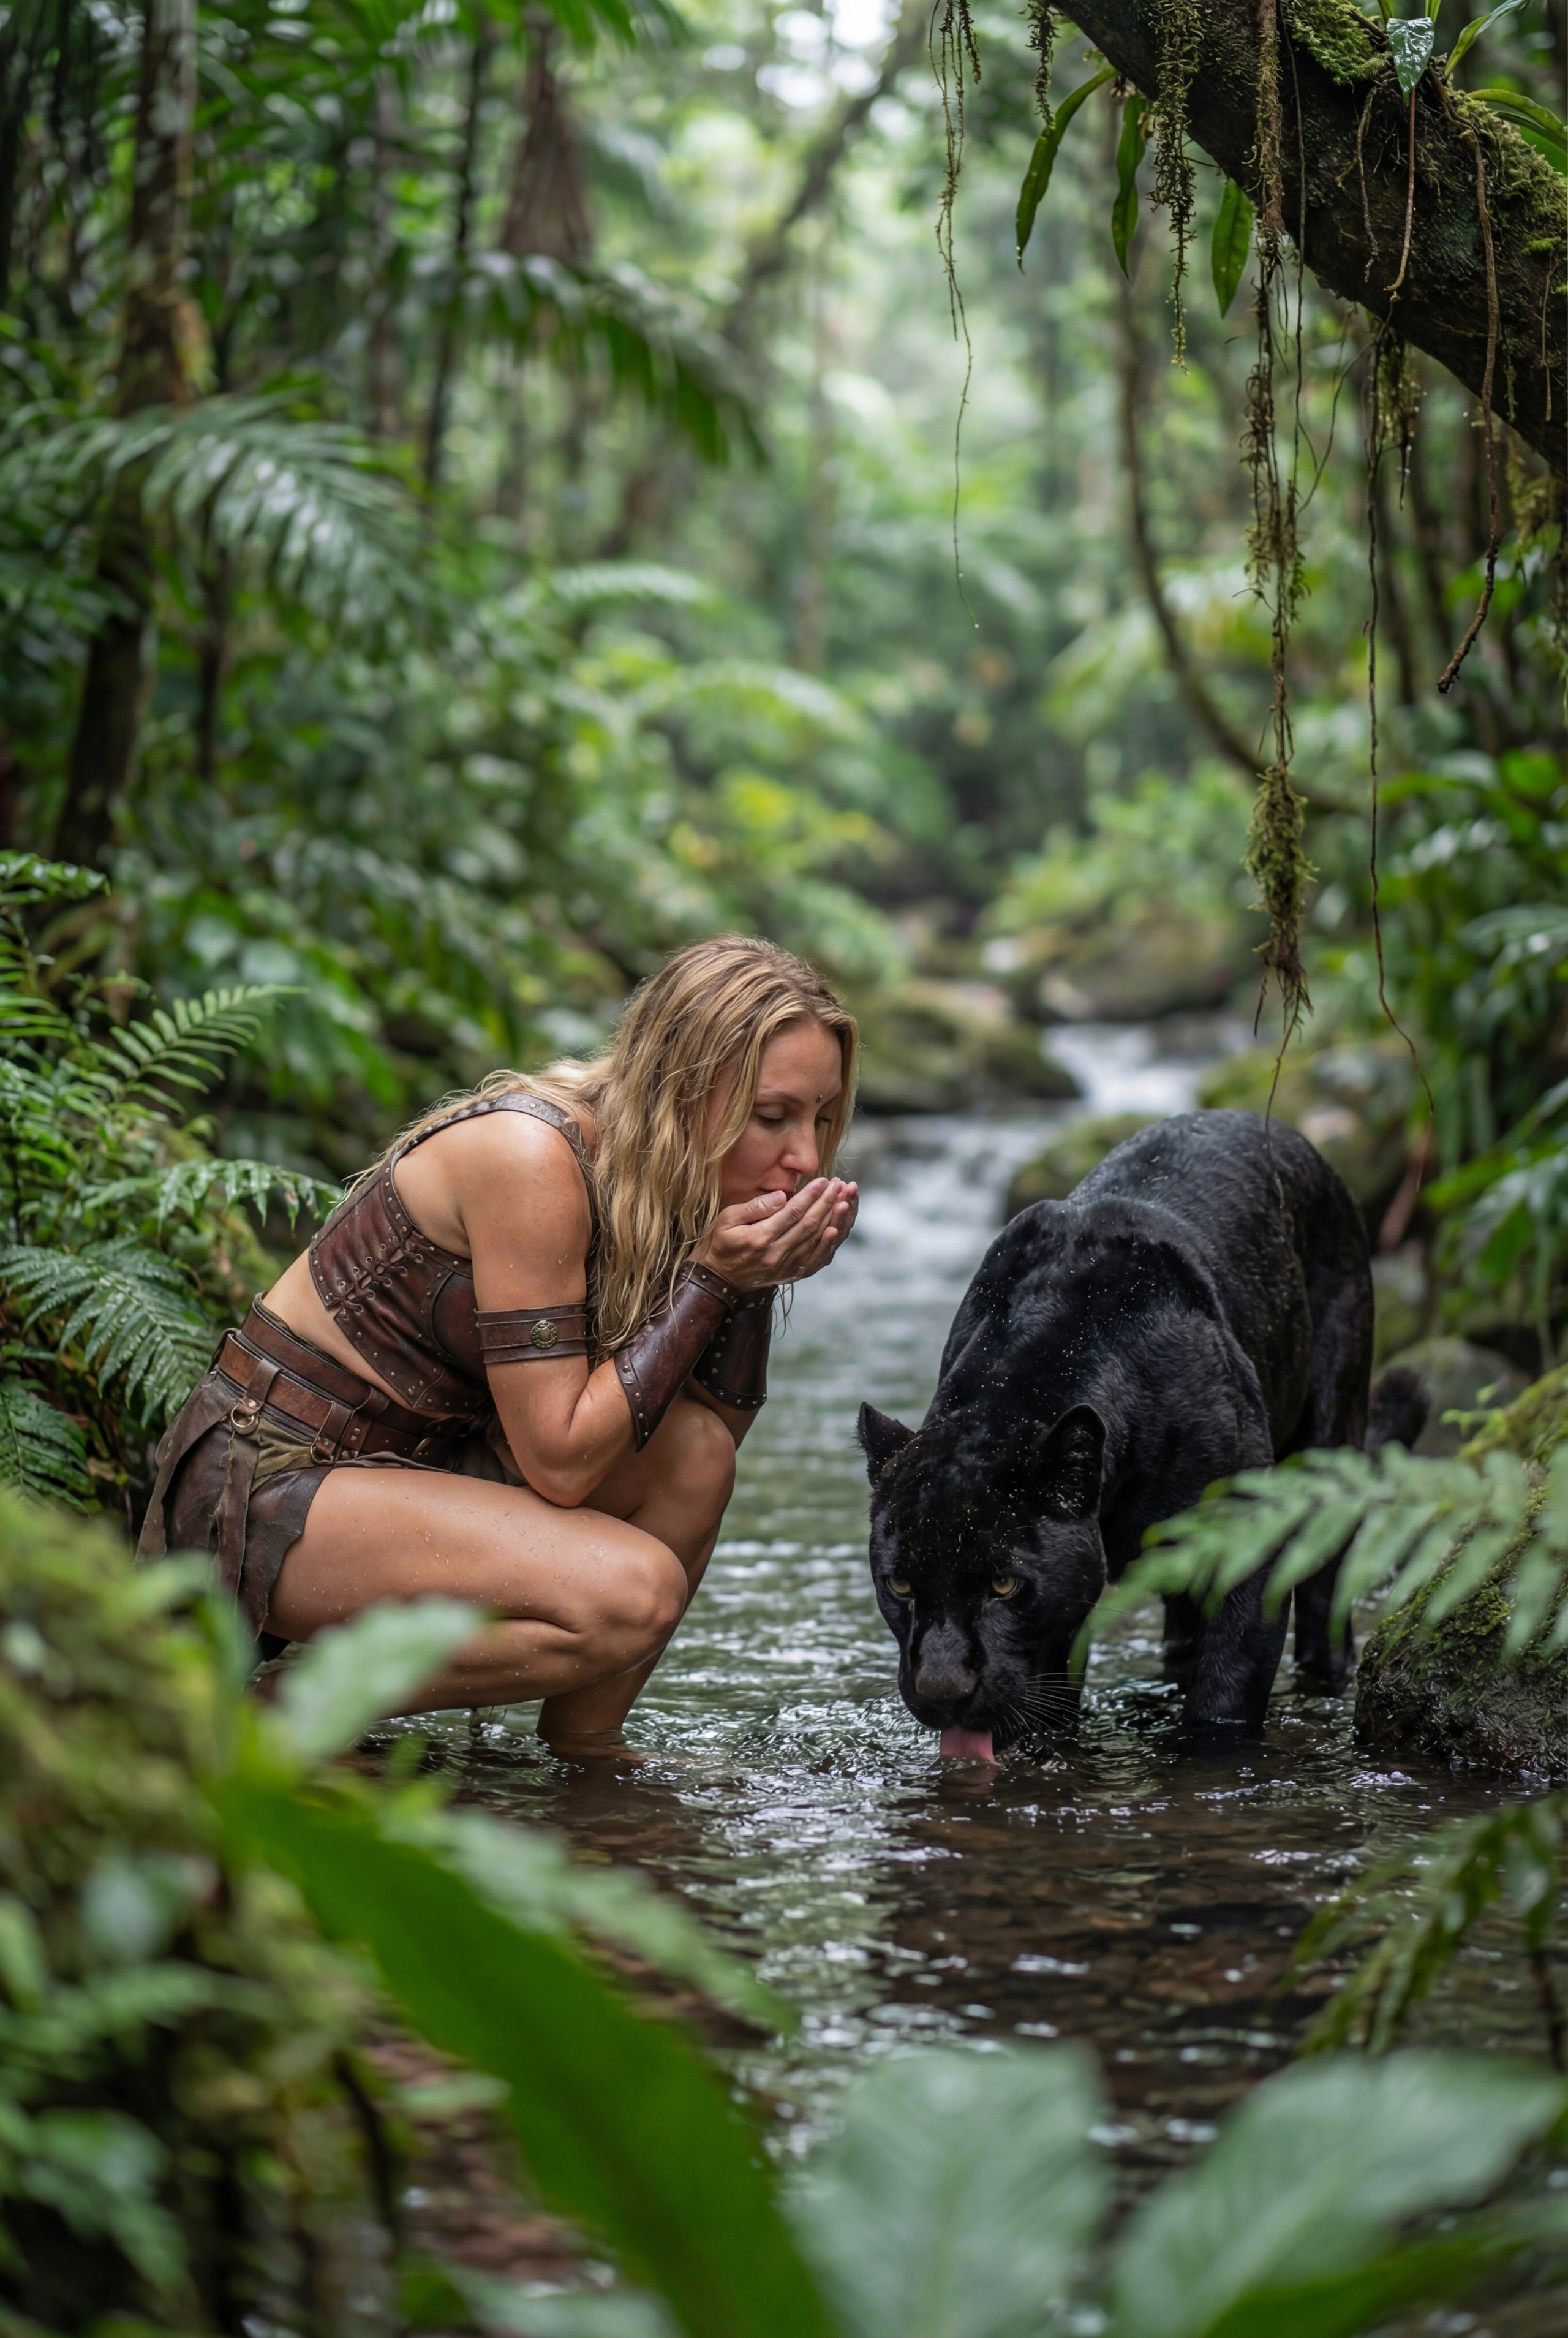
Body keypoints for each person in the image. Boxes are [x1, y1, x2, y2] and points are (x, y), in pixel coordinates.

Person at [138, 937, 859, 1749]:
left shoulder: (674, 1184)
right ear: (684, 1086)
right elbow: (561, 1462)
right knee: (634, 1592)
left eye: (823, 1119)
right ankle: (268, 1723)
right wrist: (718, 1281)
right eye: (773, 1116)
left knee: (697, 1459)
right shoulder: (533, 1157)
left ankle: (587, 1765)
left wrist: (753, 1280)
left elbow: (702, 1447)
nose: (804, 1158)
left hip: (419, 1472)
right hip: (270, 1485)